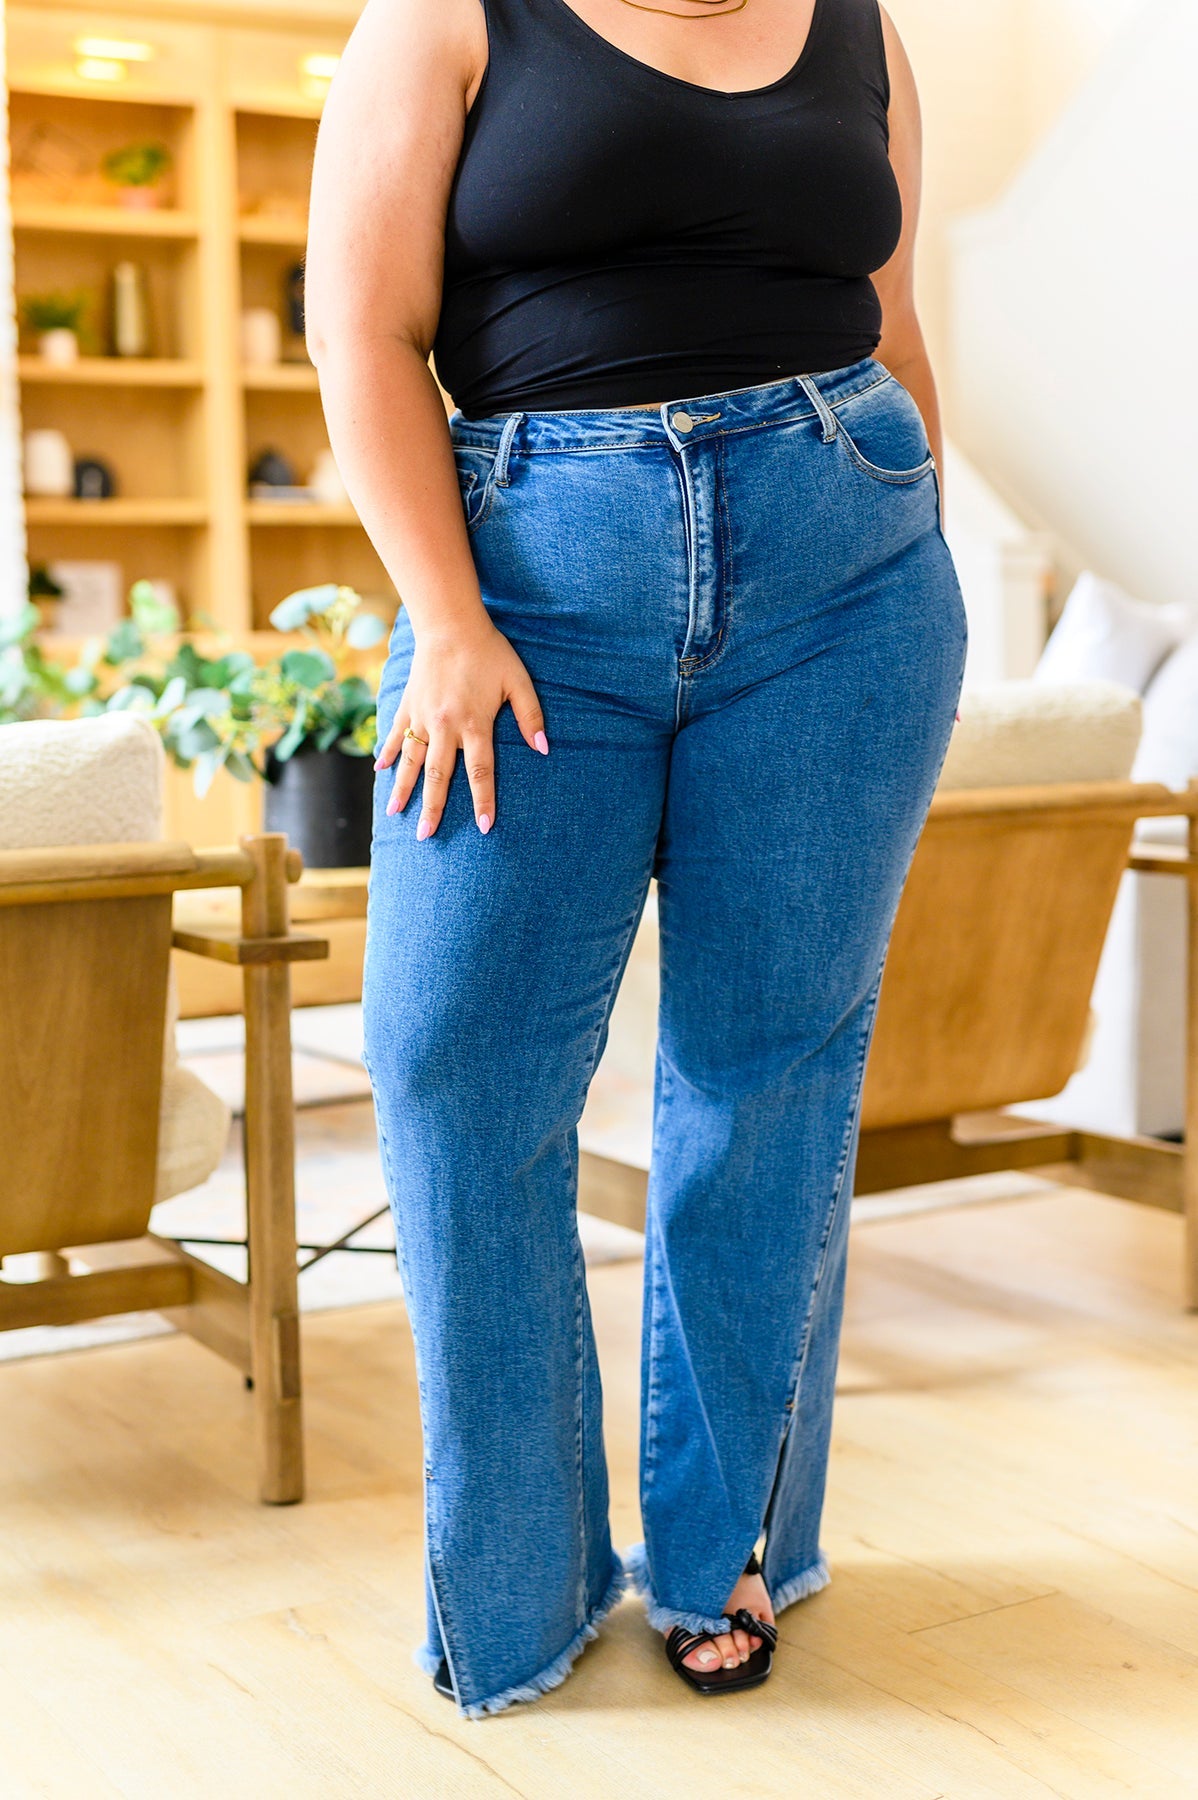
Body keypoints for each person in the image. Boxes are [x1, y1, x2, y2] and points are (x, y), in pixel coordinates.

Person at [305, 0, 967, 1719]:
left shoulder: (861, 26)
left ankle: (725, 1548)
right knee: (452, 1065)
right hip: (528, 579)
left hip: (844, 576)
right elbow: (361, 326)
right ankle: (517, 1584)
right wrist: (447, 619)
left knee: (768, 1073)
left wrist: (922, 559)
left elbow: (892, 319)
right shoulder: (449, 17)